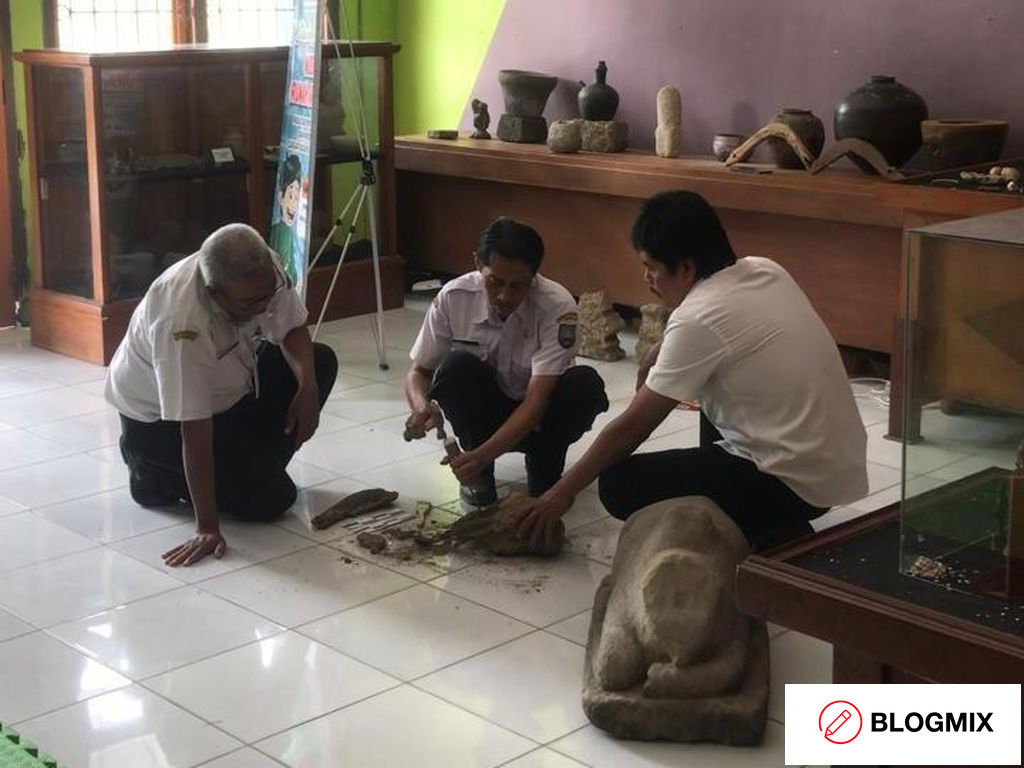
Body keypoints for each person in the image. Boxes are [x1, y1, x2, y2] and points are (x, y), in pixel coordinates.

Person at [515, 190, 868, 550]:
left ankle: (769, 529)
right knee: (714, 387)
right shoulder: (765, 269)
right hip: (834, 468)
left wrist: (558, 495)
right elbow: (716, 328)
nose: (647, 278)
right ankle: (762, 517)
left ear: (685, 268)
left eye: (651, 267)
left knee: (618, 482)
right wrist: (659, 349)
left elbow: (633, 427)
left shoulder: (698, 319)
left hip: (793, 485)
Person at [106, 223, 338, 566]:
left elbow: (291, 328)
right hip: (160, 423)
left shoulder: (262, 269)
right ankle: (153, 474)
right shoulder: (182, 322)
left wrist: (308, 389)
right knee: (273, 499)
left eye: (268, 295)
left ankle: (249, 469)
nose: (264, 307)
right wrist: (207, 527)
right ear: (215, 293)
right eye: (251, 302)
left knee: (318, 361)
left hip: (230, 391)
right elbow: (193, 429)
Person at [404, 217, 609, 505]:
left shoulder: (557, 307)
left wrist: (484, 454)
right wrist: (420, 406)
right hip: (486, 414)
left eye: (517, 285)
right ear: (478, 263)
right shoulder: (454, 297)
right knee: (455, 368)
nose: (504, 296)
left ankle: (545, 469)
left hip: (540, 416)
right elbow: (419, 371)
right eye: (495, 282)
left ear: (534, 276)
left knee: (582, 385)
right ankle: (479, 476)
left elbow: (536, 401)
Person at [269, 153, 302, 283]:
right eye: (290, 195)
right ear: (280, 197)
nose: (293, 204)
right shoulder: (277, 231)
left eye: (296, 197)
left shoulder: (292, 235)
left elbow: (293, 275)